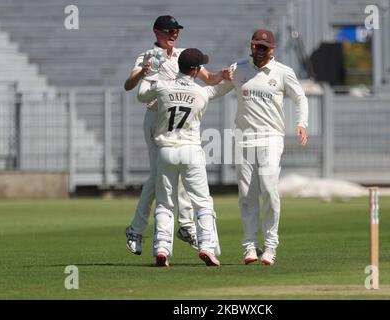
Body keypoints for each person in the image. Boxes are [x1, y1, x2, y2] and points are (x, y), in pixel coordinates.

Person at [123, 15, 231, 255]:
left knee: (178, 170)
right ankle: (137, 229)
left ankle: (183, 226)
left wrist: (223, 75)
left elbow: (209, 79)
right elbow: (129, 85)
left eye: (176, 31)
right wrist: (143, 73)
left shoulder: (184, 56)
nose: (173, 34)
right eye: (169, 31)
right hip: (156, 118)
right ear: (156, 32)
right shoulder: (147, 56)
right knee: (158, 176)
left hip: (177, 119)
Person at [210, 29, 309, 265]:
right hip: (243, 139)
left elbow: (300, 97)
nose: (258, 50)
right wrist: (188, 93)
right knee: (246, 195)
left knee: (269, 189)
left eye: (263, 47)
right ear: (251, 46)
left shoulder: (283, 72)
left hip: (271, 138)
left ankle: (271, 246)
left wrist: (301, 123)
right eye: (255, 46)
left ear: (272, 49)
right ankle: (249, 246)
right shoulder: (238, 69)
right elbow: (215, 91)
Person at [137, 48, 224, 267]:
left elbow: (141, 95)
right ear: (195, 71)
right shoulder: (200, 92)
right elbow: (217, 90)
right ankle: (206, 246)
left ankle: (162, 249)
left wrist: (150, 73)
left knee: (165, 204)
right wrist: (229, 77)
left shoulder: (163, 87)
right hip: (191, 150)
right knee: (202, 202)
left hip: (166, 150)